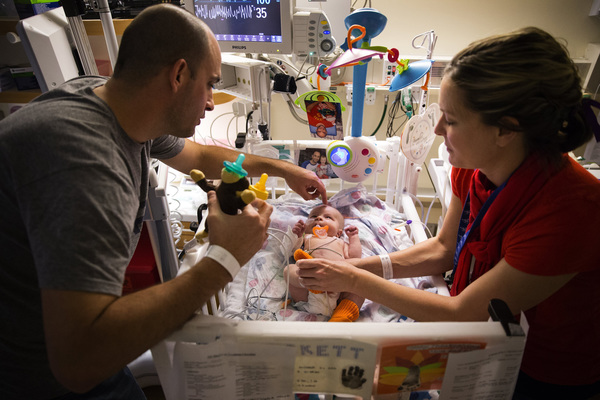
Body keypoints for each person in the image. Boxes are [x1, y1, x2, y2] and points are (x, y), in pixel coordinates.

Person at [0, 4, 327, 399]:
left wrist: (282, 169)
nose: (211, 102)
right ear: (178, 75)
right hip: (39, 370)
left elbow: (200, 156)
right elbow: (78, 363)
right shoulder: (85, 163)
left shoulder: (114, 101)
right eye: (210, 84)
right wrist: (225, 259)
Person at [295, 27, 600, 399]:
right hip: (478, 334)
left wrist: (354, 279)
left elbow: (462, 313)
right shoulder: (474, 167)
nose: (438, 129)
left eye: (451, 120)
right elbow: (443, 250)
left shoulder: (571, 211)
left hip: (542, 369)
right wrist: (350, 267)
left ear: (506, 130)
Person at [284, 205, 362, 321]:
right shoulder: (307, 238)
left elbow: (354, 257)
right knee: (289, 269)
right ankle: (308, 281)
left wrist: (354, 238)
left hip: (337, 287)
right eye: (313, 216)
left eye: (328, 217)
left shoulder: (339, 242)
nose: (318, 218)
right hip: (307, 292)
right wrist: (296, 236)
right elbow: (291, 251)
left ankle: (344, 313)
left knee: (361, 282)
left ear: (338, 233)